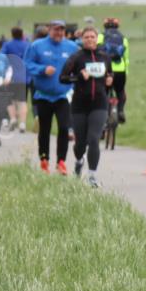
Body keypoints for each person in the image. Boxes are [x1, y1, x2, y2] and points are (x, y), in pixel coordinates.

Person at [60, 26, 114, 187]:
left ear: (97, 39)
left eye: (92, 36)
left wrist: (110, 80)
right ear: (82, 39)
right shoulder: (76, 57)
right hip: (79, 105)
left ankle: (92, 175)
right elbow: (62, 78)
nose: (90, 39)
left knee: (94, 139)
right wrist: (78, 77)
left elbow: (110, 75)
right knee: (80, 143)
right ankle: (78, 160)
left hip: (99, 103)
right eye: (86, 37)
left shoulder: (105, 57)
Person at [24, 20, 79, 174]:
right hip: (43, 95)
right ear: (49, 30)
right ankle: (44, 160)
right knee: (45, 130)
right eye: (56, 30)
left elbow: (79, 65)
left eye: (61, 30)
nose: (59, 33)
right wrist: (42, 69)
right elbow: (27, 64)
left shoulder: (71, 47)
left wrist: (77, 80)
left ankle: (61, 162)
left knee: (63, 128)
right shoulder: (37, 46)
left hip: (63, 95)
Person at [98, 17, 130, 123]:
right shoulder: (123, 38)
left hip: (105, 69)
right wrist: (126, 71)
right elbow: (126, 57)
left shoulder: (101, 36)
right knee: (120, 91)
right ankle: (120, 111)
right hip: (120, 69)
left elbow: (97, 53)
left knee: (104, 92)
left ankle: (104, 115)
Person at [0, 26, 30, 133]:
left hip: (10, 77)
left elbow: (1, 57)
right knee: (22, 101)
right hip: (24, 77)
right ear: (22, 34)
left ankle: (13, 119)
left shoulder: (8, 45)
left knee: (10, 100)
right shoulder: (27, 45)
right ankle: (22, 123)